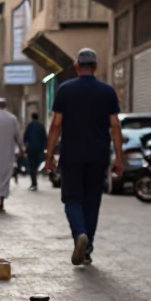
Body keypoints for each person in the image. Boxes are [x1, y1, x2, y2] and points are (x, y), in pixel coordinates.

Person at [44, 49, 124, 265]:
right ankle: (87, 249)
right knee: (92, 201)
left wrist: (49, 155)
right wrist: (119, 158)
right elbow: (115, 126)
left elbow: (56, 125)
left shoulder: (65, 90)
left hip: (72, 156)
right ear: (95, 67)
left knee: (72, 199)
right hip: (99, 157)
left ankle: (80, 234)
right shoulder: (107, 92)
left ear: (77, 67)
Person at [23, 112, 48, 191]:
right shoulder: (41, 126)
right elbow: (44, 138)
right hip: (39, 149)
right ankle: (35, 181)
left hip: (31, 149)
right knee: (36, 165)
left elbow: (25, 137)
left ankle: (34, 183)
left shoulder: (30, 126)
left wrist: (26, 145)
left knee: (32, 166)